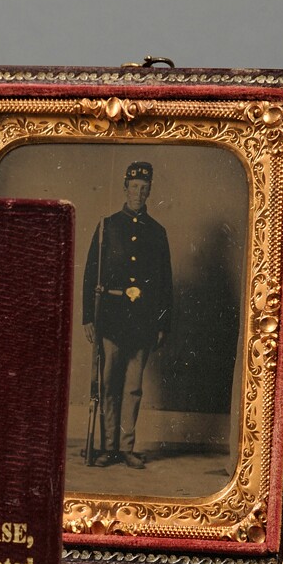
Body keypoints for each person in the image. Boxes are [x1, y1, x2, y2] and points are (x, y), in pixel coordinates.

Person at [82, 161, 173, 468]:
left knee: (133, 388)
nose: (138, 193)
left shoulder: (157, 233)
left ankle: (126, 447)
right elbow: (90, 274)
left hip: (143, 322)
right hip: (111, 320)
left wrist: (162, 323)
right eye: (134, 187)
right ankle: (108, 448)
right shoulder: (107, 226)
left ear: (149, 192)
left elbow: (165, 281)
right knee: (108, 386)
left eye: (144, 188)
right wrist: (88, 318)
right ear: (125, 188)